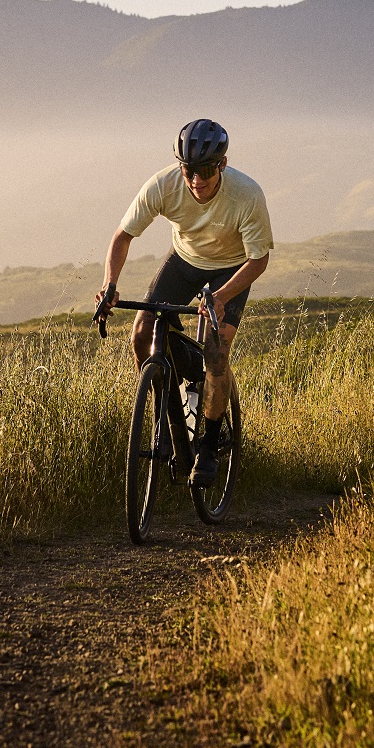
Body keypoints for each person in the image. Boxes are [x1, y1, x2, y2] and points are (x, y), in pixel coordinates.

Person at [94, 119, 273, 486]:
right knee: (142, 334)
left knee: (216, 350)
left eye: (205, 170)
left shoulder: (246, 194)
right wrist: (110, 284)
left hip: (232, 267)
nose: (196, 180)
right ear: (181, 166)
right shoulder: (164, 185)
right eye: (189, 169)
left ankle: (207, 445)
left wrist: (221, 298)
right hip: (185, 260)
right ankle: (170, 411)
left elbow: (259, 260)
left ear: (221, 164)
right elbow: (122, 236)